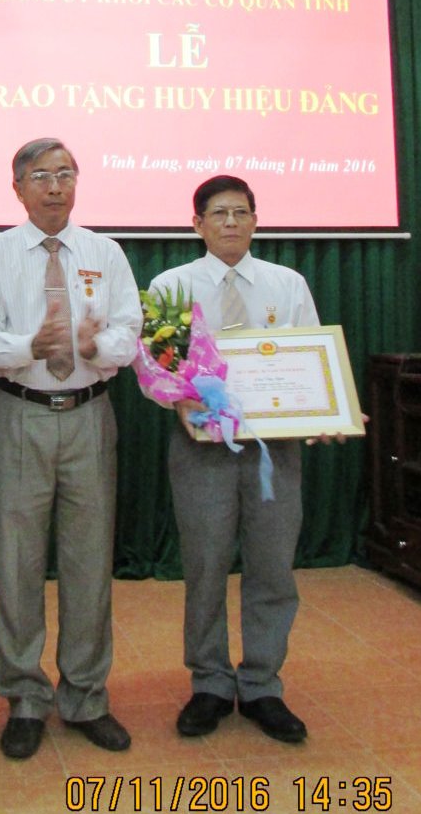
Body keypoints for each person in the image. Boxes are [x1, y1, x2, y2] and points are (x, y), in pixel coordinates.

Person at [0, 138, 142, 759]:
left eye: (65, 174)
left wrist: (93, 347)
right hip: (21, 415)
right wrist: (28, 348)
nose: (55, 186)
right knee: (16, 563)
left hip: (90, 416)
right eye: (41, 176)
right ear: (17, 188)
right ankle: (24, 698)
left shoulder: (105, 252)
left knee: (90, 562)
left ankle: (86, 696)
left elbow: (129, 331)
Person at [146, 174, 324, 744]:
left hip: (275, 450)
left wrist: (326, 409)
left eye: (240, 212)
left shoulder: (287, 284)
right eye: (218, 213)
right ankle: (210, 683)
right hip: (201, 447)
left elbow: (311, 360)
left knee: (273, 565)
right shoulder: (171, 286)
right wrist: (181, 401)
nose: (230, 222)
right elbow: (157, 371)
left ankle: (263, 684)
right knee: (205, 566)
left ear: (255, 221)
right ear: (196, 224)